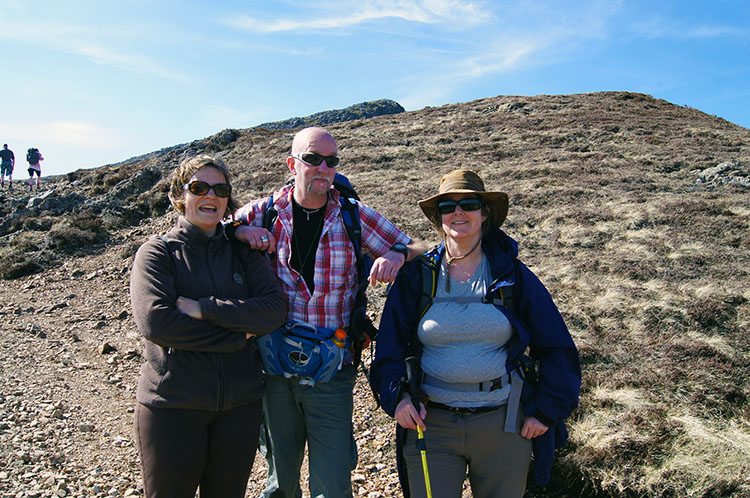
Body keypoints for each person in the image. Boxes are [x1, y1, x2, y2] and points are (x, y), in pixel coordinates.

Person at [231, 126, 424, 498]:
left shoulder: (354, 215)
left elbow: (417, 247)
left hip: (333, 370)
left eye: (331, 161)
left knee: (333, 481)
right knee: (279, 479)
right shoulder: (266, 211)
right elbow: (217, 229)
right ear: (293, 163)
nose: (323, 168)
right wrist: (241, 234)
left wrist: (396, 254)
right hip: (272, 370)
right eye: (313, 159)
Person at [371, 170, 581, 498]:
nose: (458, 213)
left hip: (504, 424)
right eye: (447, 207)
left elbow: (556, 346)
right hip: (431, 424)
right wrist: (397, 398)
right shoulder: (417, 277)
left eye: (468, 204)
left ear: (484, 213)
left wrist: (545, 410)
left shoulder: (514, 276)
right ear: (438, 218)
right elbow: (389, 349)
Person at [129, 154, 286, 498]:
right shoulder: (158, 253)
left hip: (240, 406)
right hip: (173, 405)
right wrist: (237, 337)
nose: (210, 196)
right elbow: (158, 322)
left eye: (220, 189)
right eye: (198, 187)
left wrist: (204, 309)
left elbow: (274, 310)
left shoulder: (243, 253)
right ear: (180, 196)